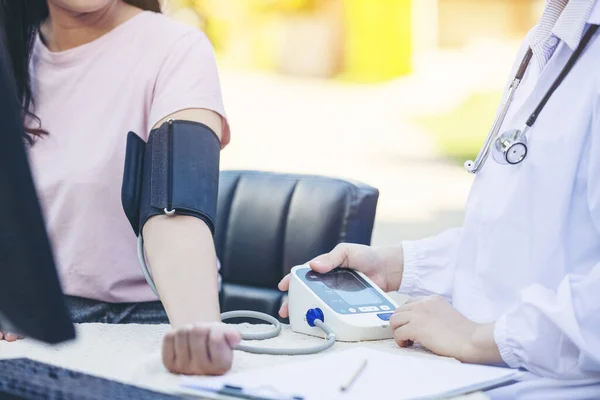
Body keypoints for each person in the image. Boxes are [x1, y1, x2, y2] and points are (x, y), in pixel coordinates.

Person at [279, 0, 600, 398]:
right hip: (487, 376)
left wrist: (478, 338)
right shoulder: (554, 37)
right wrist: (397, 266)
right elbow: (531, 240)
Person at [0, 0, 240, 375]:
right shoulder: (12, 49)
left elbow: (175, 209)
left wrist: (199, 329)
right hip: (27, 328)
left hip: (142, 325)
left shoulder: (176, 49)